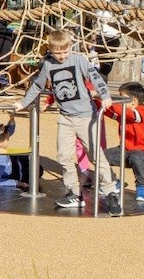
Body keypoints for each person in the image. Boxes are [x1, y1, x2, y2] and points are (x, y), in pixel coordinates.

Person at [13, 29, 121, 215]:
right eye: (58, 52)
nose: (62, 56)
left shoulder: (78, 60)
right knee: (64, 155)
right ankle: (73, 191)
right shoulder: (47, 64)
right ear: (51, 50)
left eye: (65, 51)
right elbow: (38, 85)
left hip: (86, 115)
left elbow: (94, 77)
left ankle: (110, 191)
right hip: (65, 117)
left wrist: (105, 95)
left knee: (95, 155)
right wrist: (24, 103)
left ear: (70, 47)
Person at [103, 82, 144, 202]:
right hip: (125, 151)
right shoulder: (123, 114)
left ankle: (141, 186)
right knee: (100, 156)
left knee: (136, 156)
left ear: (134, 101)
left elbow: (129, 115)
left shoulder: (141, 112)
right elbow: (110, 111)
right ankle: (114, 181)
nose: (118, 100)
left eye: (121, 97)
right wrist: (98, 100)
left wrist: (109, 100)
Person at [0, 116, 42, 189]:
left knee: (31, 162)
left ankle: (32, 166)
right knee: (37, 168)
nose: (8, 140)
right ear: (0, 143)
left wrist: (12, 118)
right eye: (8, 139)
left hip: (13, 164)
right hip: (16, 173)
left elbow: (9, 130)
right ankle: (33, 170)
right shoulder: (0, 162)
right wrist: (18, 183)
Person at [88, 0, 121, 79]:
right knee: (106, 66)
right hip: (107, 35)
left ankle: (101, 84)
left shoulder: (97, 0)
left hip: (108, 35)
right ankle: (101, 84)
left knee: (106, 66)